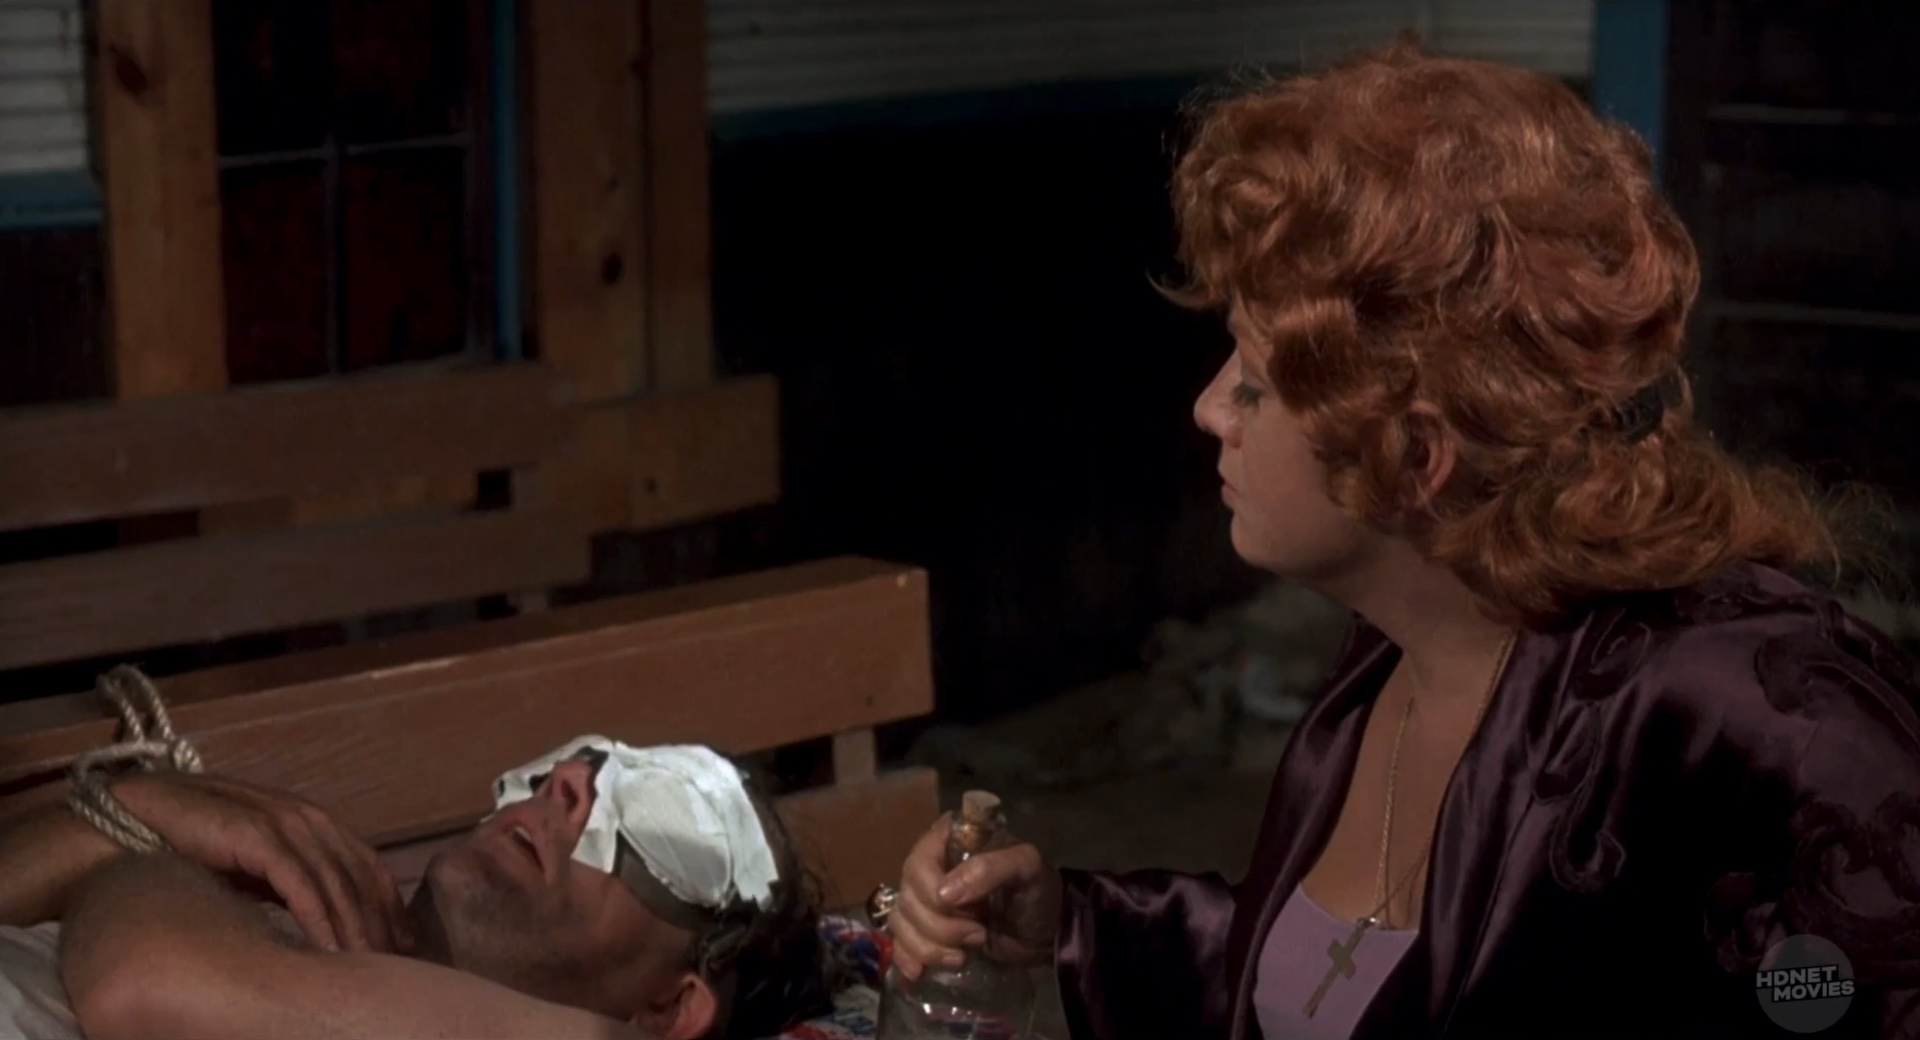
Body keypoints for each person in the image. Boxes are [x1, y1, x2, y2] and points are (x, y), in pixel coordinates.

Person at [881, 38, 1920, 1039]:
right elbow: (1337, 984)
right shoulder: (1391, 656)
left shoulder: (1764, 712)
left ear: (1413, 453)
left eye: (1254, 383)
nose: (1208, 408)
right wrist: (1070, 922)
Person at [0, 736, 834, 1040]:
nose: (570, 782)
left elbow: (142, 983)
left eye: (658, 819)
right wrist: (140, 823)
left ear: (671, 1006)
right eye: (593, 759)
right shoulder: (274, 908)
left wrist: (144, 834)